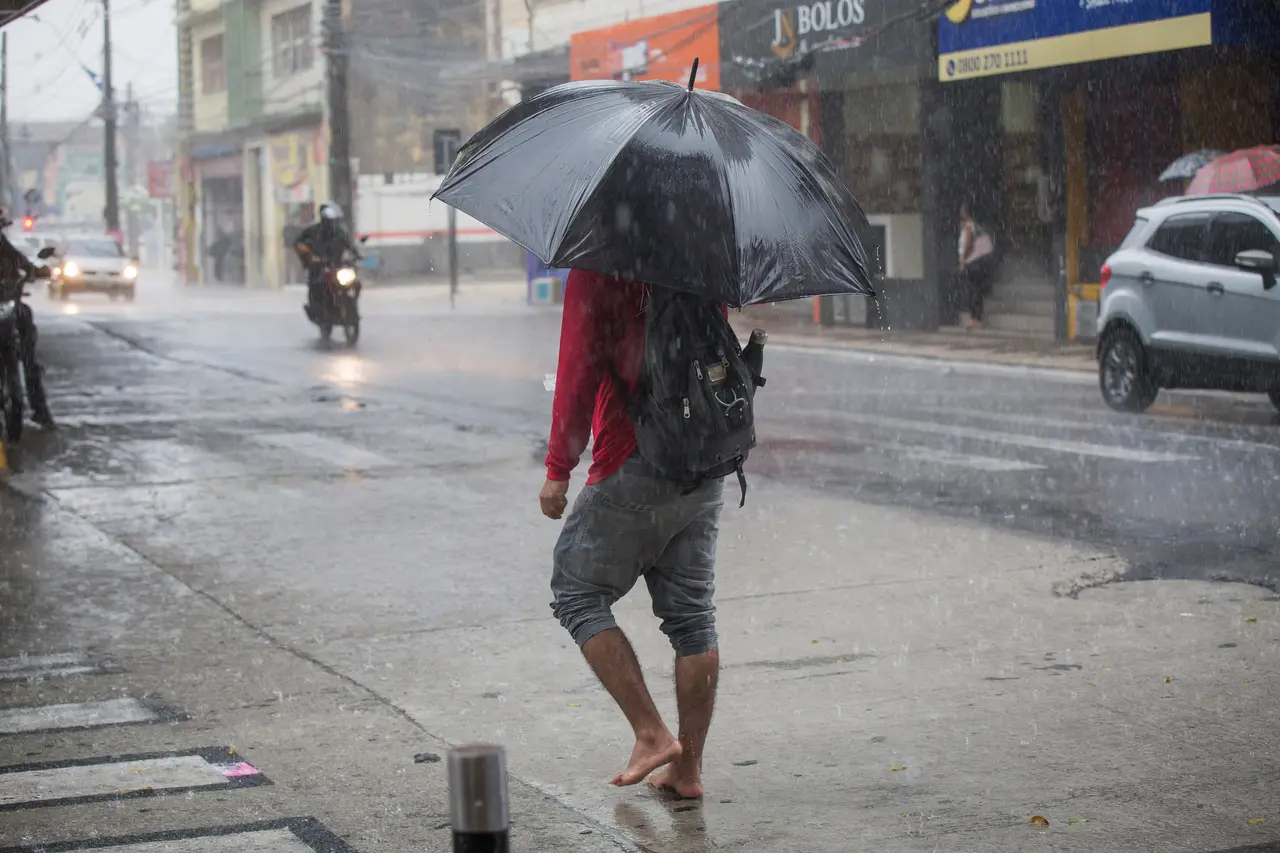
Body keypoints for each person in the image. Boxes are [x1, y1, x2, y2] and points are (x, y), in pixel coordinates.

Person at [540, 269, 725, 800]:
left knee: (576, 593)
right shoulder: (700, 242)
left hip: (635, 453)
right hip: (707, 455)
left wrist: (559, 466)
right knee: (693, 618)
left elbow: (578, 366)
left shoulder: (601, 258)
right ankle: (687, 770)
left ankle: (650, 734)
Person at [0, 208, 55, 428]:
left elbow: (22, 262)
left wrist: (36, 271)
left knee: (28, 348)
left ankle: (39, 408)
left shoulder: (4, 247)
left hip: (6, 305)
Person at [294, 202, 358, 319]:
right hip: (319, 265)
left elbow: (348, 243)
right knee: (317, 283)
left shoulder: (339, 232)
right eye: (329, 220)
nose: (331, 223)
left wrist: (357, 254)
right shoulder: (313, 231)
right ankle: (318, 309)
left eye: (333, 220)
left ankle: (350, 304)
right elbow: (298, 242)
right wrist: (309, 255)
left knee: (355, 282)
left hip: (337, 264)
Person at [958, 202, 996, 330]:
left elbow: (968, 245)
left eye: (962, 210)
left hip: (973, 262)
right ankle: (977, 318)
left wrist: (963, 261)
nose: (960, 212)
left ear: (966, 213)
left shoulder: (968, 227)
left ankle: (975, 318)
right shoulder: (978, 227)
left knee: (973, 290)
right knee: (977, 290)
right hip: (982, 261)